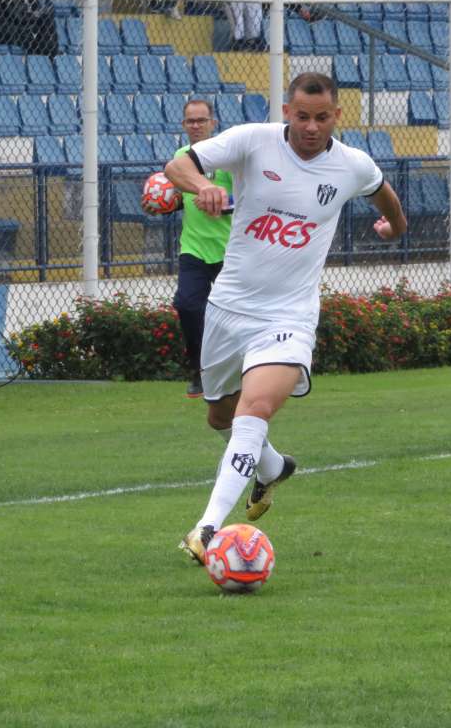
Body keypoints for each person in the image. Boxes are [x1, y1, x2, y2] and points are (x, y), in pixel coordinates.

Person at [166, 72, 407, 563]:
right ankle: (272, 467)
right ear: (286, 111)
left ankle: (206, 529)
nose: (312, 127)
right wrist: (202, 186)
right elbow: (178, 165)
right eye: (302, 116)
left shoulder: (352, 166)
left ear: (337, 115)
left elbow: (384, 193)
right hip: (229, 309)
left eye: (322, 117)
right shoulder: (253, 142)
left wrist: (394, 226)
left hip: (290, 317)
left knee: (253, 410)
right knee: (221, 416)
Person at [144, 99, 232, 399]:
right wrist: (164, 205)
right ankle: (198, 369)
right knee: (187, 305)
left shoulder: (228, 158)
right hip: (194, 247)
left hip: (230, 250)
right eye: (190, 121)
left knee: (233, 315)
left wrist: (222, 202)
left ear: (213, 123)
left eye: (201, 120)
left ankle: (236, 370)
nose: (196, 125)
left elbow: (246, 199)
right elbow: (179, 197)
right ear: (184, 125)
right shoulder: (181, 157)